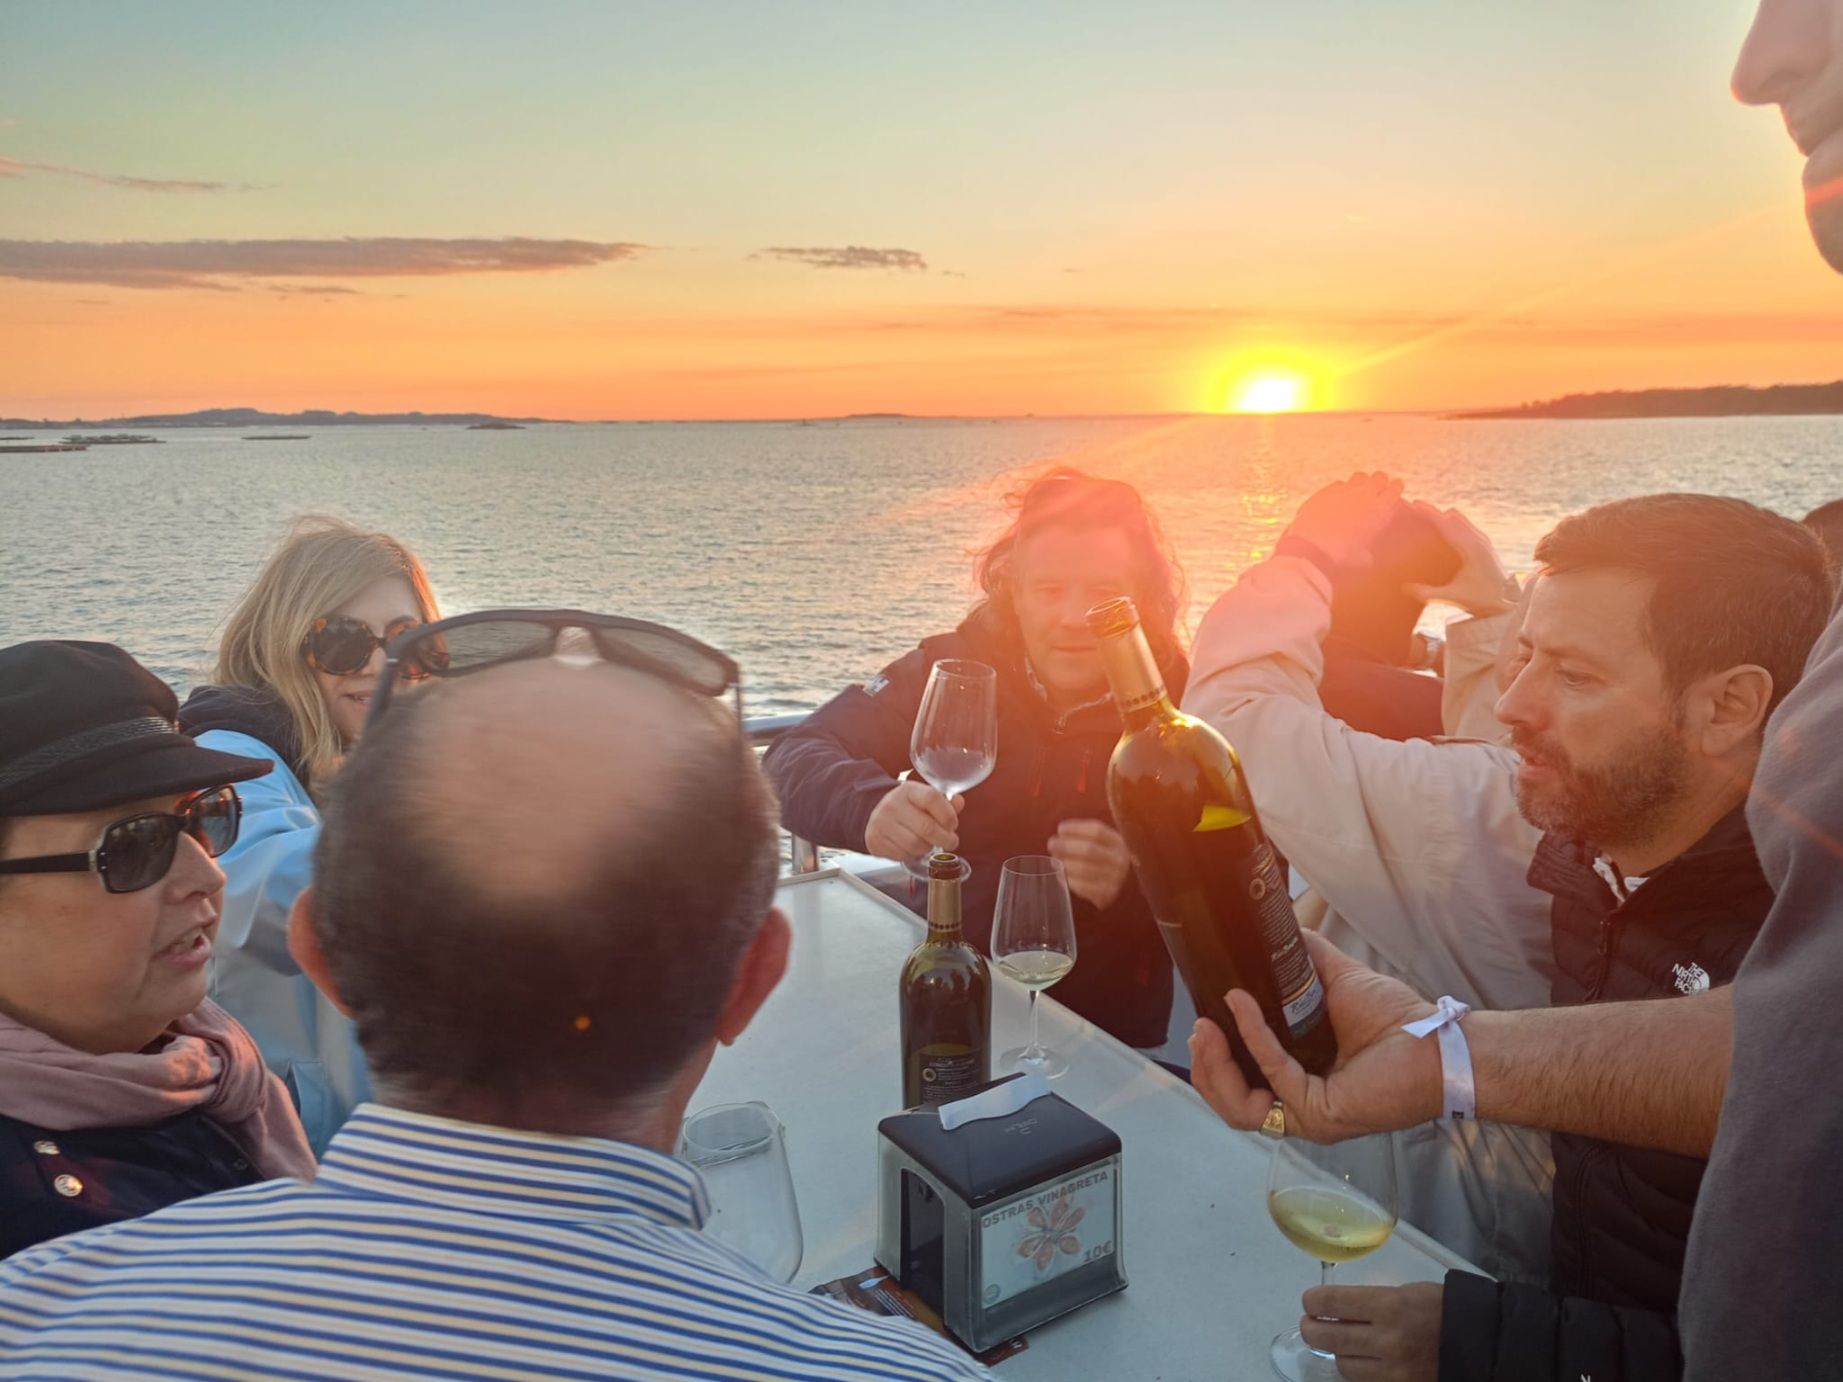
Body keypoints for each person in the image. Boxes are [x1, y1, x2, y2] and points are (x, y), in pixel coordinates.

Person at [0, 614, 993, 1380]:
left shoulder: (41, 1306)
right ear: (751, 977)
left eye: (201, 822)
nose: (206, 877)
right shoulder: (893, 1366)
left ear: (320, 955)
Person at [1184, 487, 1833, 1377]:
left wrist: (1487, 1342)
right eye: (1522, 654)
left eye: (1572, 676)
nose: (1514, 704)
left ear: (1729, 707)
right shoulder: (1590, 851)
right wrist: (1430, 1037)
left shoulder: (1788, 934)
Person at [766, 466, 1181, 1051]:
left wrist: (1136, 883)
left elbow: (1246, 899)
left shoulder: (1187, 709)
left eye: (1103, 592)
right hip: (951, 997)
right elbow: (790, 756)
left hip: (1110, 1036)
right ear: (1013, 589)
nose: (1072, 618)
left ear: (1142, 599)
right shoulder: (953, 669)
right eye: (1051, 589)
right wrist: (871, 807)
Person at [0, 641, 315, 1259]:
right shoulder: (51, 1247)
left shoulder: (212, 1069)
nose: (208, 875)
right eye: (134, 844)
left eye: (202, 818)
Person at [180, 515, 442, 1154]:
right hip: (290, 1155)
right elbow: (265, 877)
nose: (381, 663)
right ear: (282, 643)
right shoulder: (231, 759)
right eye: (344, 642)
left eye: (407, 639)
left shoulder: (358, 759)